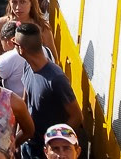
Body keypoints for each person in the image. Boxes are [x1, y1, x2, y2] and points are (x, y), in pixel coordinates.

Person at [14, 25, 80, 159]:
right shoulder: (28, 66)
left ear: (20, 48)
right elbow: (24, 105)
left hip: (48, 152)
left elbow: (77, 116)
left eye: (14, 43)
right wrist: (17, 141)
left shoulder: (56, 79)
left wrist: (54, 143)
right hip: (29, 147)